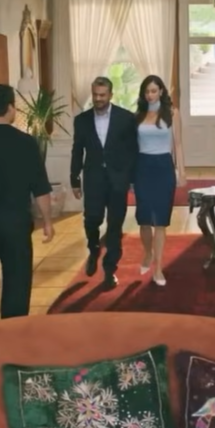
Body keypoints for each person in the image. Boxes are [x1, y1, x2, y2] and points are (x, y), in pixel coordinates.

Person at [0, 84, 54, 320]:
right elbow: (40, 188)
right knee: (17, 282)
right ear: (10, 108)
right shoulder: (25, 142)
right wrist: (47, 222)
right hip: (15, 224)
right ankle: (13, 330)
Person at [70, 77, 138, 290]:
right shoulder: (81, 120)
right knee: (92, 219)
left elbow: (132, 151)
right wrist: (74, 179)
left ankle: (110, 270)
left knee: (115, 225)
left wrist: (131, 178)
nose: (98, 99)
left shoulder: (126, 118)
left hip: (118, 180)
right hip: (93, 179)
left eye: (102, 95)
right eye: (95, 95)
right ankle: (93, 250)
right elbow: (77, 150)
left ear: (110, 95)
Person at [133, 75, 186, 287]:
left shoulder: (172, 113)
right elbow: (132, 147)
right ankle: (148, 253)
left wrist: (181, 172)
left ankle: (158, 268)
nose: (150, 95)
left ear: (161, 91)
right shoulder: (138, 115)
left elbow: (178, 144)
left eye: (154, 91)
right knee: (144, 220)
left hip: (164, 167)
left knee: (161, 221)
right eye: (147, 91)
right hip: (142, 167)